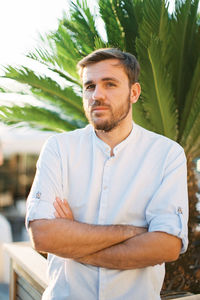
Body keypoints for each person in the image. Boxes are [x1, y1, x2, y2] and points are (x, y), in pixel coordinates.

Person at [26, 48, 188, 300]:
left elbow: (166, 246)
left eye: (109, 84)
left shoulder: (167, 155)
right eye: (89, 86)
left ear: (134, 93)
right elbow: (43, 235)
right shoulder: (58, 149)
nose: (97, 95)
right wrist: (132, 232)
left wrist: (73, 242)